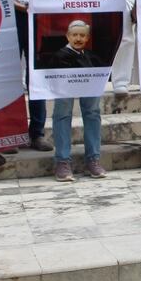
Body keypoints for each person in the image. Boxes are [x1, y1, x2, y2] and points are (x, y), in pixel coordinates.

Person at [6, 0, 54, 151]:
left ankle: (36, 132)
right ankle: (9, 133)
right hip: (12, 18)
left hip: (38, 19)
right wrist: (21, 4)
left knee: (36, 76)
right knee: (10, 77)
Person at [49, 20, 106, 180]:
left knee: (93, 114)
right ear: (68, 36)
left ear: (87, 38)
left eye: (82, 35)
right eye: (75, 35)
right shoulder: (59, 55)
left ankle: (93, 159)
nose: (78, 38)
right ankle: (62, 162)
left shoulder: (91, 56)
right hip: (64, 88)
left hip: (89, 87)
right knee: (62, 114)